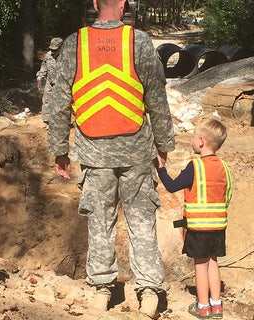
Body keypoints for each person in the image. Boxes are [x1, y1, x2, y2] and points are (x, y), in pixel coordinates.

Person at [47, 0, 175, 317]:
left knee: (100, 223)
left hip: (93, 151)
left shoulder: (76, 43)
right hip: (137, 152)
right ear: (123, 5)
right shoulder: (140, 41)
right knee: (142, 223)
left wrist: (59, 150)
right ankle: (148, 293)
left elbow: (60, 100)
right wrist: (164, 146)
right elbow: (156, 98)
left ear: (94, 4)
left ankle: (102, 290)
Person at [156, 118, 232, 320]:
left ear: (201, 140)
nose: (191, 141)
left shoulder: (195, 166)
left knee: (200, 264)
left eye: (193, 137)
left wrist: (161, 168)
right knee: (213, 262)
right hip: (218, 225)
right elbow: (228, 194)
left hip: (199, 226)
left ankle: (203, 306)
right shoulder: (224, 167)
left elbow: (172, 186)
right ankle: (216, 306)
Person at [36, 37, 63, 123]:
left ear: (61, 48)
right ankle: (46, 120)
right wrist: (39, 77)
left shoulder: (66, 56)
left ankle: (60, 121)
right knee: (46, 100)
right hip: (49, 81)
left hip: (62, 84)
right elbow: (44, 67)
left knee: (61, 103)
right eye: (51, 49)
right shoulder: (48, 55)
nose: (53, 52)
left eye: (55, 50)